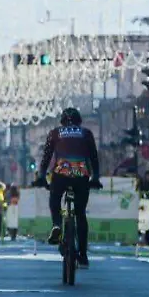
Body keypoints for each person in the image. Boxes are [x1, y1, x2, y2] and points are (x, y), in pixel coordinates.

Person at [37, 107, 100, 268]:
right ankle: (84, 256)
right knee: (80, 214)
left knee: (55, 197)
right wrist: (96, 178)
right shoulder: (86, 133)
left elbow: (46, 157)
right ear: (79, 121)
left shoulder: (55, 133)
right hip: (81, 172)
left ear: (62, 122)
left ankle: (57, 224)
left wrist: (41, 176)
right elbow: (93, 157)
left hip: (62, 171)